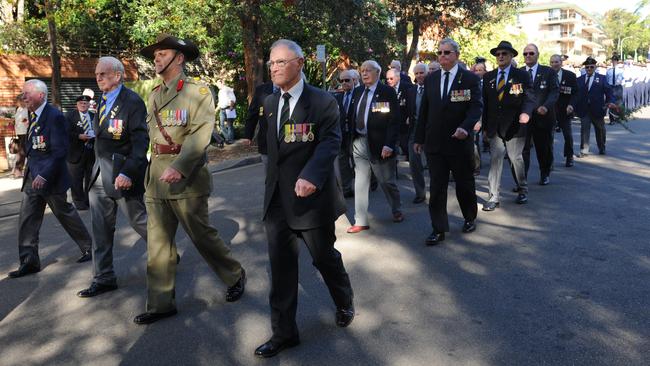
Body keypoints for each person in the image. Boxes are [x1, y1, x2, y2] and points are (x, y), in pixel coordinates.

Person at [133, 34, 246, 324]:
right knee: (158, 245)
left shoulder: (198, 92)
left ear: (179, 58)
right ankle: (160, 304)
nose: (156, 58)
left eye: (162, 54)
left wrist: (180, 166)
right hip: (157, 177)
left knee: (201, 236)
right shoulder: (156, 92)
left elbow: (200, 134)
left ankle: (234, 274)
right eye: (154, 55)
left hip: (187, 179)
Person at [254, 39, 354, 358]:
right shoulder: (270, 103)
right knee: (281, 269)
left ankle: (344, 301)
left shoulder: (322, 101)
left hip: (311, 201)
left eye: (280, 62)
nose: (274, 68)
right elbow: (272, 153)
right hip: (278, 203)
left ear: (299, 64)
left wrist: (311, 174)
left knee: (324, 258)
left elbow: (330, 142)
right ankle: (284, 333)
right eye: (271, 63)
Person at [76, 57, 151, 298]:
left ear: (118, 76)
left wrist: (129, 171)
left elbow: (141, 142)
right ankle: (104, 277)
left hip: (122, 175)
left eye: (103, 74)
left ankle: (165, 252)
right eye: (97, 74)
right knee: (100, 229)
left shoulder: (132, 102)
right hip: (99, 174)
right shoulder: (102, 99)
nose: (98, 78)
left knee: (140, 221)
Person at [8, 80, 93, 278]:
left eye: (28, 93)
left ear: (41, 95)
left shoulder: (55, 117)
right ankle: (29, 261)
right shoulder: (32, 114)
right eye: (23, 93)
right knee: (27, 219)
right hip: (32, 177)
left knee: (64, 213)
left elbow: (59, 151)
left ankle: (89, 247)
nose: (24, 96)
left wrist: (44, 175)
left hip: (51, 177)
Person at [414, 38, 482, 245]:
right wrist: (419, 138)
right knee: (436, 188)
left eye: (446, 52)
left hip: (459, 142)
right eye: (440, 53)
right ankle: (438, 228)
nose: (442, 56)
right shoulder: (431, 79)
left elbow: (475, 108)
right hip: (435, 143)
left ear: (456, 55)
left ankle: (469, 217)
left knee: (464, 184)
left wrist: (465, 127)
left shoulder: (469, 78)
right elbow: (423, 111)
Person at [346, 60, 403, 234]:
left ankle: (396, 208)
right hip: (359, 142)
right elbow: (349, 116)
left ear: (378, 73)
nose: (364, 73)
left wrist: (389, 144)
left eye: (368, 70)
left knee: (386, 181)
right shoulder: (356, 92)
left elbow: (394, 121)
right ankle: (360, 220)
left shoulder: (387, 92)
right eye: (362, 71)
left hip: (380, 144)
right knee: (361, 181)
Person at [482, 41, 535, 212]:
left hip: (515, 126)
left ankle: (522, 188)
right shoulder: (488, 77)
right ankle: (493, 196)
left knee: (515, 158)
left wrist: (526, 113)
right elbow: (484, 103)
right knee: (495, 159)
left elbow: (529, 97)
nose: (501, 57)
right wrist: (482, 125)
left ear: (511, 55)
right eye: (498, 54)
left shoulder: (522, 75)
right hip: (494, 126)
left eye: (504, 53)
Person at [519, 44, 559, 186]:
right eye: (525, 54)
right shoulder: (519, 72)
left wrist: (546, 106)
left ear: (537, 55)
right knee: (523, 150)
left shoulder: (548, 72)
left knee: (543, 148)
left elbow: (554, 92)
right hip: (524, 118)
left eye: (531, 53)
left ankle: (545, 173)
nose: (528, 56)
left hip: (543, 117)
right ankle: (522, 180)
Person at [570, 57, 615, 157]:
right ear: (585, 68)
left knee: (600, 130)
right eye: (587, 67)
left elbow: (609, 92)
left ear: (595, 67)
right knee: (584, 129)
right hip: (584, 109)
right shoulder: (580, 80)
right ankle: (584, 150)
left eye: (591, 67)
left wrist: (610, 102)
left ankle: (602, 147)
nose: (589, 69)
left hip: (598, 109)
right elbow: (575, 94)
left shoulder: (602, 78)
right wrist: (573, 106)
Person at [65, 94, 95, 211]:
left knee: (90, 178)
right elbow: (65, 132)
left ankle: (89, 200)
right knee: (75, 179)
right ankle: (79, 202)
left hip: (91, 151)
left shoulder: (93, 116)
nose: (83, 105)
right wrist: (78, 136)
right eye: (81, 103)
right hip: (75, 152)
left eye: (86, 103)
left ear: (89, 104)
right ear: (76, 105)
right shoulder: (69, 116)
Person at [405, 63, 428, 203]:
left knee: (433, 163)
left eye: (421, 73)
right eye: (417, 73)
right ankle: (420, 192)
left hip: (431, 131)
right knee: (414, 163)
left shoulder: (433, 89)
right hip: (414, 131)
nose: (419, 76)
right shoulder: (411, 91)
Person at [332, 69, 357, 197]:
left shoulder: (359, 95)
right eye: (341, 81)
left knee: (358, 162)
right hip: (341, 135)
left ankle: (368, 182)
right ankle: (347, 188)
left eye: (347, 80)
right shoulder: (337, 96)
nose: (344, 83)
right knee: (342, 163)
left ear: (354, 81)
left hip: (355, 135)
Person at [550, 54, 577, 167]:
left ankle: (569, 156)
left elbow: (575, 93)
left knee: (568, 136)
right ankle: (549, 160)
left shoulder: (570, 75)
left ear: (561, 63)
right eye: (552, 62)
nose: (554, 64)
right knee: (549, 137)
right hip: (550, 111)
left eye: (556, 62)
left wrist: (571, 105)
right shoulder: (546, 74)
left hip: (565, 111)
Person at [243, 81, 276, 172]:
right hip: (266, 141)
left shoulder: (292, 87)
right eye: (272, 66)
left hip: (288, 142)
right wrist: (248, 135)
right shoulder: (261, 90)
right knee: (270, 177)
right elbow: (252, 113)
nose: (275, 69)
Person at [386, 68, 412, 158]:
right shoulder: (385, 89)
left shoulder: (408, 87)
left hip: (404, 124)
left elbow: (411, 104)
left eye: (391, 78)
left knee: (406, 148)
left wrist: (410, 116)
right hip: (391, 124)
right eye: (387, 79)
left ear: (398, 78)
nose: (389, 81)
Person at [13, 95, 28, 178]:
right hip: (19, 133)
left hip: (25, 133)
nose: (18, 103)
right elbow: (18, 120)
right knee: (22, 152)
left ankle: (18, 171)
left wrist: (25, 121)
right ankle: (18, 171)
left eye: (19, 101)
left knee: (22, 152)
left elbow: (28, 120)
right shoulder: (18, 109)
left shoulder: (27, 109)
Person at [216, 80, 236, 144]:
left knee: (229, 125)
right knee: (221, 125)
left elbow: (233, 98)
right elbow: (220, 102)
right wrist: (215, 110)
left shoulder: (228, 89)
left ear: (222, 83)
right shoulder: (219, 92)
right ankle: (228, 138)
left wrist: (231, 106)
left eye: (218, 84)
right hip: (222, 110)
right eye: (217, 84)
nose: (217, 85)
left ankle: (230, 140)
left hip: (228, 109)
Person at [606, 55, 624, 124]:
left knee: (618, 103)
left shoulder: (621, 71)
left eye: (615, 61)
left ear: (617, 62)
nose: (614, 62)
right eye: (613, 61)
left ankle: (618, 117)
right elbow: (607, 79)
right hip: (610, 87)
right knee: (610, 102)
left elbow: (621, 79)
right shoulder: (608, 71)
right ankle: (611, 119)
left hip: (618, 87)